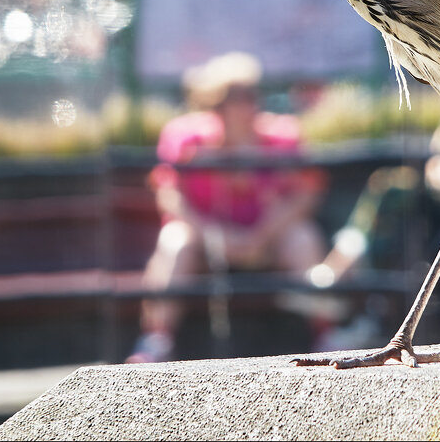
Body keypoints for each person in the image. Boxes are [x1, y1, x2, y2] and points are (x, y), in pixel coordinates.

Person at [127, 53, 327, 363]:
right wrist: (216, 236)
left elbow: (305, 194)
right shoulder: (185, 138)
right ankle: (156, 341)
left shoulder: (283, 136)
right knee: (174, 242)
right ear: (212, 103)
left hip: (267, 242)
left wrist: (261, 235)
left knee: (302, 238)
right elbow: (170, 197)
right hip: (205, 245)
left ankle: (327, 335)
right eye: (230, 97)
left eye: (249, 94)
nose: (242, 105)